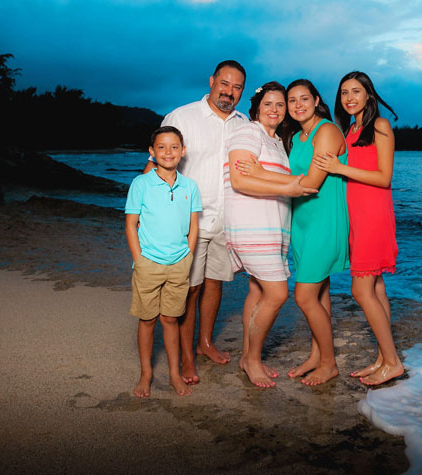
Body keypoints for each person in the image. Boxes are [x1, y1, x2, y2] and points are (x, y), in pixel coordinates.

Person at [237, 79, 348, 386]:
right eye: (292, 100)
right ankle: (317, 356)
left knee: (304, 296)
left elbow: (311, 182)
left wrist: (260, 173)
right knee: (320, 292)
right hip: (299, 222)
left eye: (304, 99)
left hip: (323, 222)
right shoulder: (297, 136)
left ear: (316, 100)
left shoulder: (326, 130)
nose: (298, 105)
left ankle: (329, 363)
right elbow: (291, 180)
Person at [144, 60, 248, 385]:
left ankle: (205, 344)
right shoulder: (181, 117)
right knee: (190, 288)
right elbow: (155, 166)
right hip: (188, 222)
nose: (229, 92)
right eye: (225, 83)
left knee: (215, 283)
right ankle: (187, 356)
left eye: (237, 87)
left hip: (226, 220)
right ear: (212, 81)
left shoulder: (243, 124)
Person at [314, 71, 404, 386]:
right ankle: (383, 357)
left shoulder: (380, 126)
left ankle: (392, 362)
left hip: (374, 216)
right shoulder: (351, 129)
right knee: (376, 287)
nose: (349, 98)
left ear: (369, 94)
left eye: (356, 91)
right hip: (357, 216)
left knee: (360, 289)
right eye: (343, 93)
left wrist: (340, 168)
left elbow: (383, 177)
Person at [224, 82, 317, 388]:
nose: (275, 110)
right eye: (268, 104)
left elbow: (263, 175)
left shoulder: (275, 141)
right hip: (252, 225)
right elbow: (239, 180)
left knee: (257, 291)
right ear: (257, 107)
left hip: (272, 228)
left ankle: (246, 355)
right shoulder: (249, 132)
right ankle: (252, 360)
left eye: (280, 105)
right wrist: (291, 186)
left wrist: (279, 181)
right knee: (277, 293)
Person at [125, 127, 202, 397]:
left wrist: (188, 256)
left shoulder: (190, 186)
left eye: (174, 147)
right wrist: (140, 260)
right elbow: (131, 224)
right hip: (148, 265)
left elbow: (193, 226)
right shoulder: (141, 183)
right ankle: (146, 374)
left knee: (171, 319)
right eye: (161, 147)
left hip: (179, 264)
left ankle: (173, 374)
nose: (168, 152)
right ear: (152, 152)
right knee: (147, 320)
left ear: (183, 151)